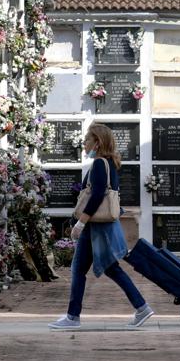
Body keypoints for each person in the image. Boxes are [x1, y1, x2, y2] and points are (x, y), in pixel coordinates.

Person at [49, 124, 154, 330]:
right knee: (96, 268)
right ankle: (74, 315)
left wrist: (80, 222)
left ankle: (74, 316)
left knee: (96, 269)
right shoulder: (110, 163)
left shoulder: (99, 164)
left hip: (94, 226)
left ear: (97, 142)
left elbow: (97, 195)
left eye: (87, 140)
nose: (84, 144)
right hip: (97, 227)